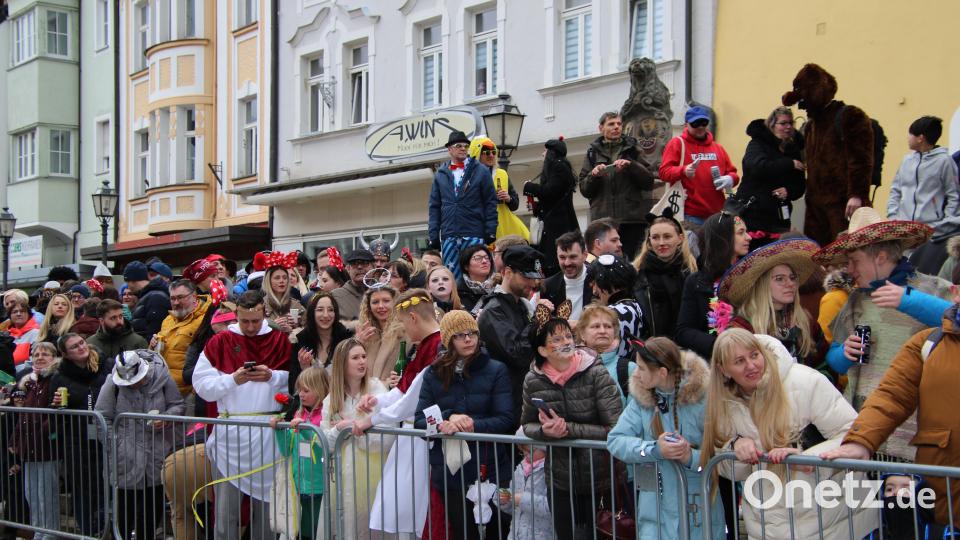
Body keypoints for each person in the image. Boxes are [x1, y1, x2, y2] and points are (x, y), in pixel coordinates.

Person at [699, 329, 876, 539]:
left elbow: (853, 433)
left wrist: (808, 458)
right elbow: (727, 469)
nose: (751, 365)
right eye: (739, 361)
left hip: (831, 517)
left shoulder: (804, 381)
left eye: (754, 355)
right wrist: (737, 448)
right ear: (724, 369)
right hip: (769, 524)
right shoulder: (723, 403)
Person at [814, 207, 952, 460]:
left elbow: (955, 319)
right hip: (863, 430)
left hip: (916, 433)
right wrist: (845, 353)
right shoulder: (856, 300)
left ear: (880, 256)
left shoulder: (933, 288)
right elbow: (835, 361)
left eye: (855, 261)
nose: (849, 270)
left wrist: (907, 300)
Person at [821, 279, 960, 529]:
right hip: (944, 492)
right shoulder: (929, 342)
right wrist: (860, 442)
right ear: (955, 291)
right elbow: (891, 395)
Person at [192, 291, 291, 540]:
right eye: (245, 321)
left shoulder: (280, 340)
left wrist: (274, 377)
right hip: (231, 436)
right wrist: (232, 380)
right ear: (236, 315)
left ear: (264, 313)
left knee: (268, 511)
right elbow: (201, 385)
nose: (249, 327)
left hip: (269, 436)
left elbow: (299, 383)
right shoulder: (220, 342)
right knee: (225, 511)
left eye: (255, 321)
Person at [607, 337, 724, 540]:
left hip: (698, 506)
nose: (636, 373)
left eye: (642, 368)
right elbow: (615, 440)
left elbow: (722, 453)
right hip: (655, 510)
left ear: (662, 372)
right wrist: (653, 449)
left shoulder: (704, 398)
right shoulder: (641, 399)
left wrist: (690, 457)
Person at [414, 310, 515, 540]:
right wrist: (446, 421)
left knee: (497, 531)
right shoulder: (433, 373)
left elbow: (506, 418)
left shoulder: (496, 370)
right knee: (463, 533)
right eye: (460, 335)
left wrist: (469, 424)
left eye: (472, 333)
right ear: (449, 340)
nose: (468, 339)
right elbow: (420, 421)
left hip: (491, 468)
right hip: (450, 473)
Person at [521, 314, 622, 539]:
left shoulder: (596, 372)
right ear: (542, 350)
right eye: (556, 339)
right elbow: (527, 424)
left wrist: (569, 430)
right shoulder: (533, 379)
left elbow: (615, 427)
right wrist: (544, 431)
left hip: (601, 478)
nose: (566, 342)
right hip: (560, 480)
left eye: (568, 336)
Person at [351, 289, 442, 537]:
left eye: (401, 322)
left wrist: (373, 419)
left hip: (422, 436)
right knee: (404, 507)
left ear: (412, 318)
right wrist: (376, 401)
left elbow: (411, 399)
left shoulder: (438, 346)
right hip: (410, 435)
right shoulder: (425, 345)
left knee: (414, 509)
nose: (403, 330)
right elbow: (404, 390)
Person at [95, 350, 185, 540]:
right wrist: (115, 443)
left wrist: (166, 419)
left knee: (152, 509)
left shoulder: (162, 377)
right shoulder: (112, 384)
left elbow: (178, 405)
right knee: (123, 510)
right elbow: (102, 417)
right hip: (125, 455)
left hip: (157, 450)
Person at [718, 238, 832, 380]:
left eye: (792, 277)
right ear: (762, 285)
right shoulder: (741, 329)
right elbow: (734, 380)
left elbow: (825, 367)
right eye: (779, 279)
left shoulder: (805, 321)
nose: (790, 284)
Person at [318, 338, 390, 540]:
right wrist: (340, 430)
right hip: (341, 475)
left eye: (364, 357)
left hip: (373, 473)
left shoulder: (377, 391)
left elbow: (389, 436)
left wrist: (356, 431)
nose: (362, 362)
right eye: (355, 358)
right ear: (342, 363)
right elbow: (324, 442)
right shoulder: (331, 398)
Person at [49, 333, 114, 536]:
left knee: (108, 487)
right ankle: (87, 531)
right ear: (66, 354)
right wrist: (57, 406)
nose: (81, 347)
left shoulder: (106, 364)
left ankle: (108, 530)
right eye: (74, 347)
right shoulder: (60, 376)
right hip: (76, 442)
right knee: (82, 490)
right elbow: (55, 417)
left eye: (82, 343)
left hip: (107, 437)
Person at [477, 245, 548, 421]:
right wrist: (537, 320)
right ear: (508, 272)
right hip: (505, 403)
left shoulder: (522, 306)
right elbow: (518, 353)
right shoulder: (494, 310)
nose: (532, 283)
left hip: (524, 396)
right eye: (526, 277)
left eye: (534, 278)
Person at [577, 112, 656, 259]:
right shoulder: (592, 153)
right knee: (605, 262)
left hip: (631, 220)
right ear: (601, 128)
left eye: (619, 124)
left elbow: (648, 181)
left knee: (633, 262)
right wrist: (594, 175)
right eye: (611, 124)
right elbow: (584, 189)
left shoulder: (632, 148)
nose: (616, 127)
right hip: (602, 221)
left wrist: (631, 165)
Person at [674, 212, 751, 359]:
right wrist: (720, 345)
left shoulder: (750, 277)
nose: (749, 237)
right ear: (723, 238)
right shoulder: (696, 282)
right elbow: (683, 331)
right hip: (714, 361)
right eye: (741, 233)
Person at [270, 366, 330, 539]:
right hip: (298, 485)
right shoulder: (299, 413)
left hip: (319, 487)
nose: (301, 394)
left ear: (320, 389)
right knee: (300, 532)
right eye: (299, 390)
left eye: (306, 390)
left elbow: (323, 443)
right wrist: (280, 430)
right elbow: (286, 450)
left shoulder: (326, 415)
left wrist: (304, 429)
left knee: (314, 531)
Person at [733, 106, 806, 248]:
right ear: (772, 125)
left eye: (791, 123)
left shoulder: (793, 150)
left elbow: (800, 185)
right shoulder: (757, 144)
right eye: (783, 123)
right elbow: (757, 167)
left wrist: (788, 191)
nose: (788, 127)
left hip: (779, 217)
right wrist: (788, 164)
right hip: (754, 215)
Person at [428, 130, 498, 279]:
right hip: (449, 235)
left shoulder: (480, 170)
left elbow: (490, 202)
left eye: (466, 146)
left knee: (477, 276)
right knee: (452, 279)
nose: (463, 149)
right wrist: (433, 235)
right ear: (449, 149)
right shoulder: (440, 173)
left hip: (474, 233)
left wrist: (491, 230)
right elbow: (434, 206)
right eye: (458, 145)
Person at [9, 342, 62, 540]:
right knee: (32, 495)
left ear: (54, 357)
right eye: (36, 354)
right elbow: (23, 416)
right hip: (28, 448)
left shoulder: (55, 379)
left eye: (45, 354)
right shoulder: (28, 383)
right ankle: (39, 531)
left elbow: (53, 414)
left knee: (46, 495)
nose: (40, 357)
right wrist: (15, 439)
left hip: (47, 447)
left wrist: (43, 432)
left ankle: (50, 534)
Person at [659, 106, 740, 226]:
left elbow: (733, 173)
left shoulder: (717, 148)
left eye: (704, 122)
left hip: (716, 214)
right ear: (686, 124)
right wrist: (684, 170)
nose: (701, 127)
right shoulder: (677, 143)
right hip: (688, 214)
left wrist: (730, 179)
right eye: (695, 123)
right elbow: (664, 173)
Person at [888, 115, 960, 237]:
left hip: (930, 231)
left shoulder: (944, 161)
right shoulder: (907, 160)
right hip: (903, 230)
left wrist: (944, 224)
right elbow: (895, 191)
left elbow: (953, 195)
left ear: (920, 138)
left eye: (910, 134)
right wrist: (893, 218)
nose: (907, 137)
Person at [633, 208, 698, 337]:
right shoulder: (636, 275)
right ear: (649, 242)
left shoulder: (692, 274)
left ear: (680, 238)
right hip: (650, 348)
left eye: (667, 236)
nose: (661, 243)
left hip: (686, 347)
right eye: (655, 238)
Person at [525, 137, 580, 269]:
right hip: (555, 222)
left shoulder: (558, 166)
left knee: (553, 262)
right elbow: (552, 199)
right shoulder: (559, 166)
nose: (542, 154)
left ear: (551, 153)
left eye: (545, 151)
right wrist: (537, 206)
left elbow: (549, 192)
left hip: (558, 225)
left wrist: (529, 186)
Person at [154, 279, 212, 395]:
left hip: (189, 392)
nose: (176, 303)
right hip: (164, 388)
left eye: (180, 297)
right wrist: (152, 346)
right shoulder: (168, 320)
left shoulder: (206, 320)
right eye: (172, 298)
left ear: (194, 297)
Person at [289, 292, 353, 391]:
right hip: (313, 404)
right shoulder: (300, 341)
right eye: (320, 310)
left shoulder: (346, 340)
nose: (326, 315)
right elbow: (293, 388)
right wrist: (305, 369)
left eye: (330, 310)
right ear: (311, 313)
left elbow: (354, 379)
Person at [497, 428, 553, 540]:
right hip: (516, 534)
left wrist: (522, 500)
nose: (526, 455)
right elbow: (513, 504)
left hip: (541, 535)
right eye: (523, 451)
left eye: (530, 451)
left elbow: (551, 507)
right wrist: (504, 499)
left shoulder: (550, 471)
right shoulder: (520, 469)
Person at [470, 137, 528, 242]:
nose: (491, 155)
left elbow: (515, 204)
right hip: (482, 228)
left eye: (493, 152)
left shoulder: (502, 174)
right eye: (487, 152)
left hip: (506, 227)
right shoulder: (469, 176)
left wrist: (509, 198)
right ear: (477, 154)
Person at [577, 304, 634, 405]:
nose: (603, 331)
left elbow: (636, 416)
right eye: (596, 326)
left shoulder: (629, 369)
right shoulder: (572, 367)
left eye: (608, 326)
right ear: (582, 334)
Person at [589, 254, 645, 351]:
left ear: (606, 282)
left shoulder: (616, 311)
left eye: (595, 284)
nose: (594, 291)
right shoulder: (635, 305)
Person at [540, 231, 592, 321]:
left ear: (585, 255)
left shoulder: (597, 281)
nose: (567, 263)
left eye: (572, 257)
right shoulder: (548, 286)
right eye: (562, 257)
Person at [355, 286, 403, 382]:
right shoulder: (363, 333)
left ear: (395, 302)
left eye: (386, 301)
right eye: (375, 302)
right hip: (366, 393)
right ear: (368, 306)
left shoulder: (405, 332)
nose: (381, 306)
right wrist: (358, 344)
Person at [124, 260, 172, 341]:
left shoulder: (155, 297)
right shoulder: (148, 296)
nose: (128, 287)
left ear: (131, 280)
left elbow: (155, 331)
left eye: (127, 282)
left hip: (148, 351)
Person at [260, 252, 303, 334]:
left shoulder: (296, 305)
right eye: (277, 278)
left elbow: (309, 329)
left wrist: (296, 327)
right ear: (268, 281)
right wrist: (272, 325)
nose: (282, 281)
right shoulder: (261, 306)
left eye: (284, 277)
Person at [331, 249, 375, 321]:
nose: (360, 267)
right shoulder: (336, 296)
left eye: (365, 263)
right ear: (348, 269)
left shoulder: (382, 293)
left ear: (374, 268)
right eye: (354, 264)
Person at [456, 244, 495, 312]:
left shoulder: (500, 286)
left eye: (487, 257)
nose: (484, 261)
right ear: (466, 266)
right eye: (478, 258)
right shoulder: (457, 291)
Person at [0, 300, 39, 366]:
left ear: (29, 315)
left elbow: (34, 361)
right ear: (10, 317)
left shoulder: (36, 333)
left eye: (22, 311)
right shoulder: (6, 335)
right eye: (15, 312)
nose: (18, 314)